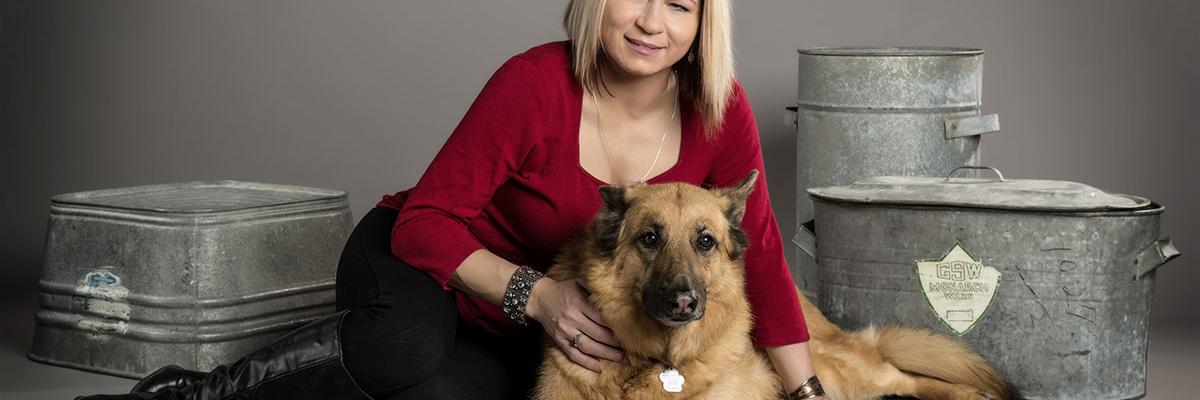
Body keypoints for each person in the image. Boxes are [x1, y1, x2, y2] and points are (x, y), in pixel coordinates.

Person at [77, 1, 825, 399]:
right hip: (423, 260)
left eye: (680, 4)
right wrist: (536, 295)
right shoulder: (534, 84)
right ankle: (191, 397)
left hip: (525, 321)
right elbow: (427, 221)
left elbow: (753, 257)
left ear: (702, 26)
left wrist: (805, 394)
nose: (651, 22)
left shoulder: (716, 110)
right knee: (405, 344)